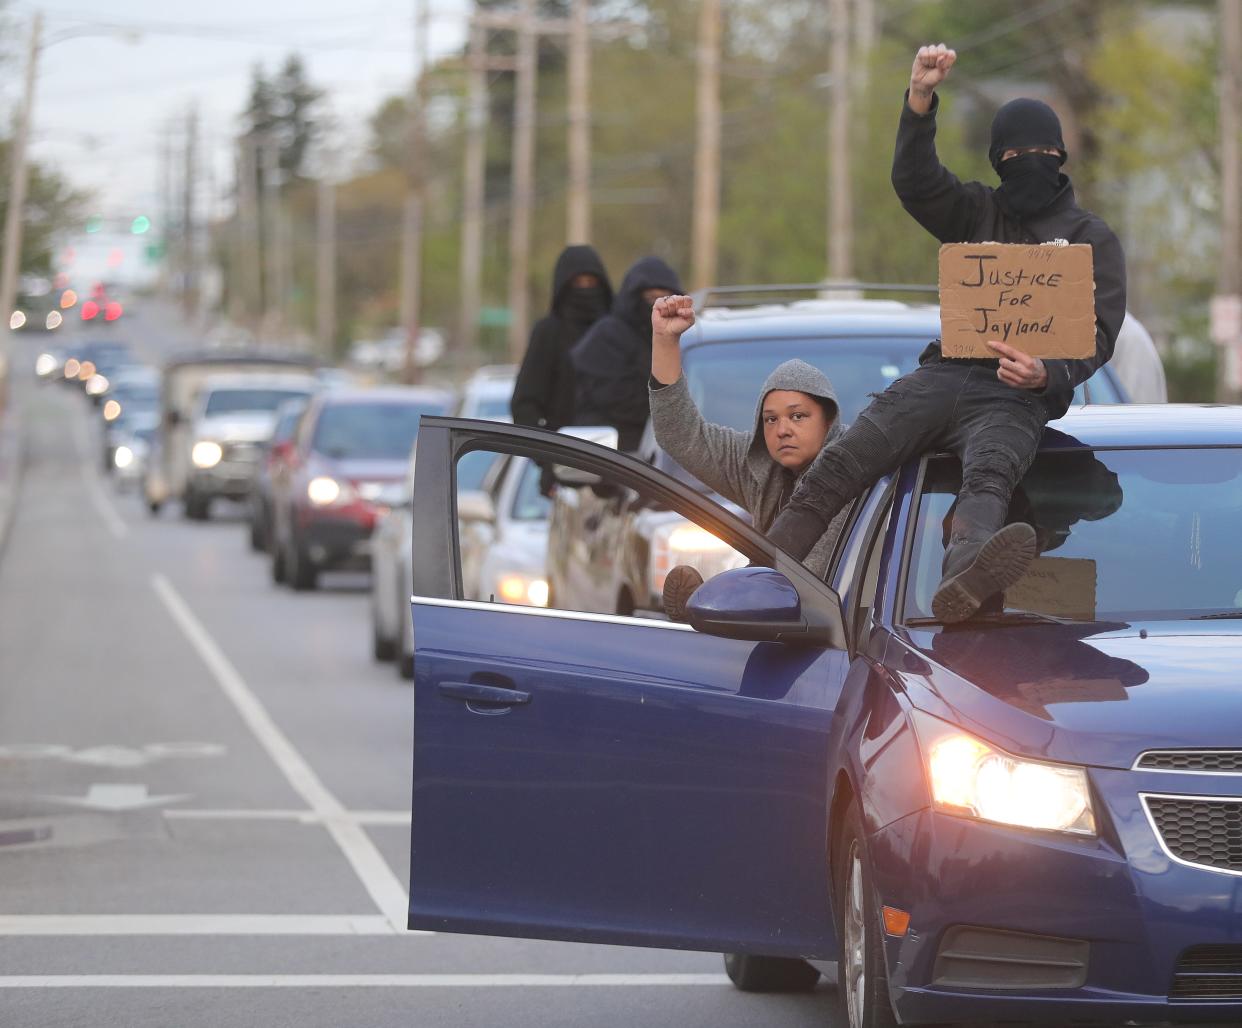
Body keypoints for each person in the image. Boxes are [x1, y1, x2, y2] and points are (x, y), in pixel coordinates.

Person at [763, 43, 1127, 623]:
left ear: (1060, 156)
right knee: (839, 463)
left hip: (1014, 394)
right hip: (943, 373)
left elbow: (1102, 329)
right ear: (995, 159)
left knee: (990, 477)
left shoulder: (1091, 238)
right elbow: (915, 180)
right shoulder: (975, 211)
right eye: (1011, 153)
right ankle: (759, 579)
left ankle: (962, 581)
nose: (1026, 160)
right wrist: (920, 99)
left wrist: (1046, 373)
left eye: (1039, 152)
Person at [649, 294, 850, 619]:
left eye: (798, 416)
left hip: (846, 632)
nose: (782, 429)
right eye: (771, 419)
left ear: (829, 421)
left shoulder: (858, 464)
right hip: (777, 625)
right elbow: (680, 434)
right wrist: (665, 340)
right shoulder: (759, 466)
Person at [571, 255, 681, 450]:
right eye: (650, 298)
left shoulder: (680, 338)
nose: (657, 306)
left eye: (665, 299)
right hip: (615, 458)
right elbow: (616, 397)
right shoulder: (607, 336)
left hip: (672, 454)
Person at [511, 245, 613, 432]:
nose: (585, 290)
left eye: (591, 282)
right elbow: (525, 404)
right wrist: (545, 453)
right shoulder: (548, 333)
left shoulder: (616, 333)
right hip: (563, 452)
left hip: (620, 454)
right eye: (578, 283)